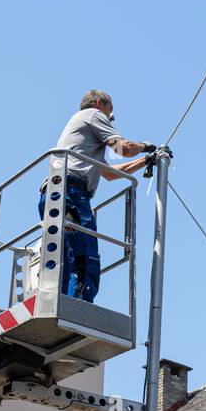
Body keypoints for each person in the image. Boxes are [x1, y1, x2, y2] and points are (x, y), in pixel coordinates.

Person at [40, 90, 152, 302]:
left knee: (65, 259)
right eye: (110, 112)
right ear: (100, 103)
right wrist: (146, 146)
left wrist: (145, 160)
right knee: (85, 258)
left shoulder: (83, 138)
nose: (112, 119)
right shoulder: (94, 115)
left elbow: (109, 174)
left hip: (55, 193)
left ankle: (59, 304)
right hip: (71, 193)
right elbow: (123, 148)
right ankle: (80, 308)